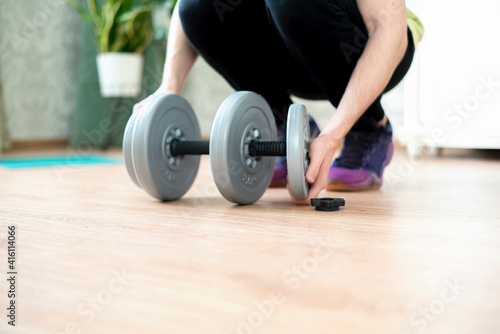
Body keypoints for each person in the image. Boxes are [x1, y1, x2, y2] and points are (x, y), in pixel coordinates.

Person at [134, 0, 424, 204]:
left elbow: (388, 30)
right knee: (198, 7)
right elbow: (187, 11)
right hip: (288, 43)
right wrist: (169, 87)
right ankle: (283, 123)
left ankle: (368, 127)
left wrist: (334, 133)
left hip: (367, 46)